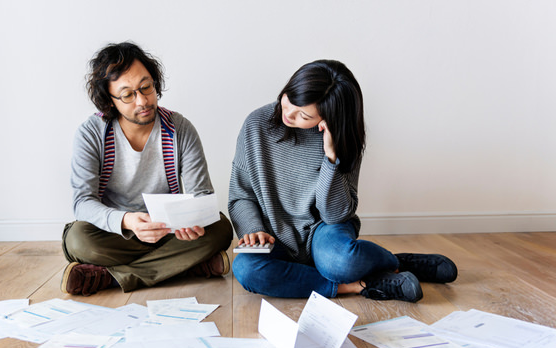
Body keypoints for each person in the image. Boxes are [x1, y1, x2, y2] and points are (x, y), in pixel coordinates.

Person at [228, 60, 457, 302]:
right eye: (289, 99)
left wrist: (331, 157)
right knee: (246, 269)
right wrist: (254, 230)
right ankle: (361, 284)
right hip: (274, 236)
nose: (288, 113)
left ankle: (395, 261)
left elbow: (335, 215)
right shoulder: (256, 125)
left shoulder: (342, 137)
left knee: (341, 262)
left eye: (304, 115)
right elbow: (241, 194)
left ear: (328, 116)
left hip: (323, 230)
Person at [61, 42, 233, 296]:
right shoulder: (91, 133)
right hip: (118, 233)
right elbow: (83, 203)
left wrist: (192, 221)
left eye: (146, 87)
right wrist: (127, 221)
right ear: (110, 100)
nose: (142, 100)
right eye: (128, 95)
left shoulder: (179, 129)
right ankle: (184, 267)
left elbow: (201, 195)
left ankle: (110, 277)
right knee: (77, 238)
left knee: (220, 228)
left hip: (168, 230)